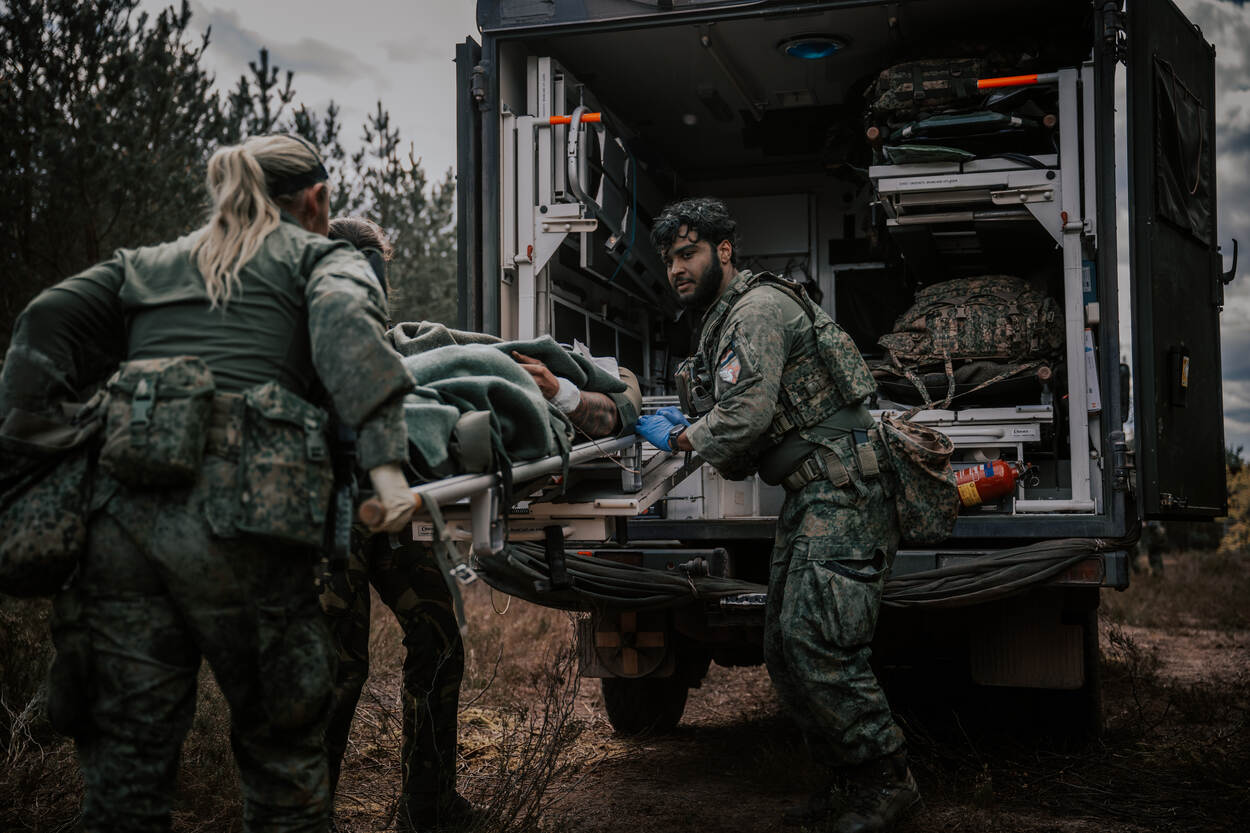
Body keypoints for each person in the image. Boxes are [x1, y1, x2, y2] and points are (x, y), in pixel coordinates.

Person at [0, 135, 417, 832]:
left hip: (121, 529)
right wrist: (386, 467)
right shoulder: (323, 256)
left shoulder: (146, 265)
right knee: (283, 767)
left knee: (123, 782)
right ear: (315, 199)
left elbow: (44, 319)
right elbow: (348, 330)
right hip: (249, 530)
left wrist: (35, 448)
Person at [319, 216, 641, 833]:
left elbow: (439, 361)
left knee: (438, 638)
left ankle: (430, 805)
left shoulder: (384, 341)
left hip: (387, 502)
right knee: (337, 668)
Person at [638, 197, 918, 833]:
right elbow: (743, 429)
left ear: (724, 251)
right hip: (812, 491)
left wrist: (685, 438)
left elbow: (746, 416)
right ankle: (846, 781)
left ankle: (885, 780)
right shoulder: (726, 318)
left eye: (689, 254)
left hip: (843, 489)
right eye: (670, 260)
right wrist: (701, 427)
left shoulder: (757, 311)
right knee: (783, 646)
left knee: (817, 641)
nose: (678, 269)